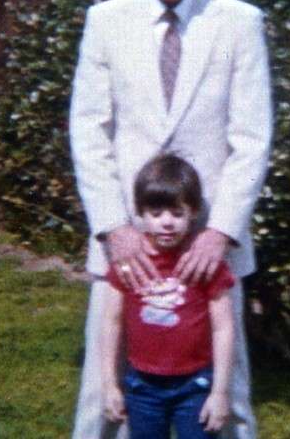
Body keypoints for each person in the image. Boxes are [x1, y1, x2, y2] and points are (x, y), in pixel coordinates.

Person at [69, 0, 272, 439]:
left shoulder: (237, 22)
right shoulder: (107, 21)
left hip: (206, 244)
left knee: (226, 396)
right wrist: (114, 229)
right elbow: (89, 131)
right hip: (128, 243)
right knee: (104, 393)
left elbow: (252, 138)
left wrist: (220, 233)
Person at [101, 153, 235, 438]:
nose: (167, 223)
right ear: (140, 212)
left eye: (177, 213)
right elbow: (111, 322)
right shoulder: (128, 263)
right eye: (156, 213)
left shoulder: (204, 264)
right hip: (142, 386)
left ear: (193, 212)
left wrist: (220, 392)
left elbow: (223, 328)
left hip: (195, 385)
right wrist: (110, 384)